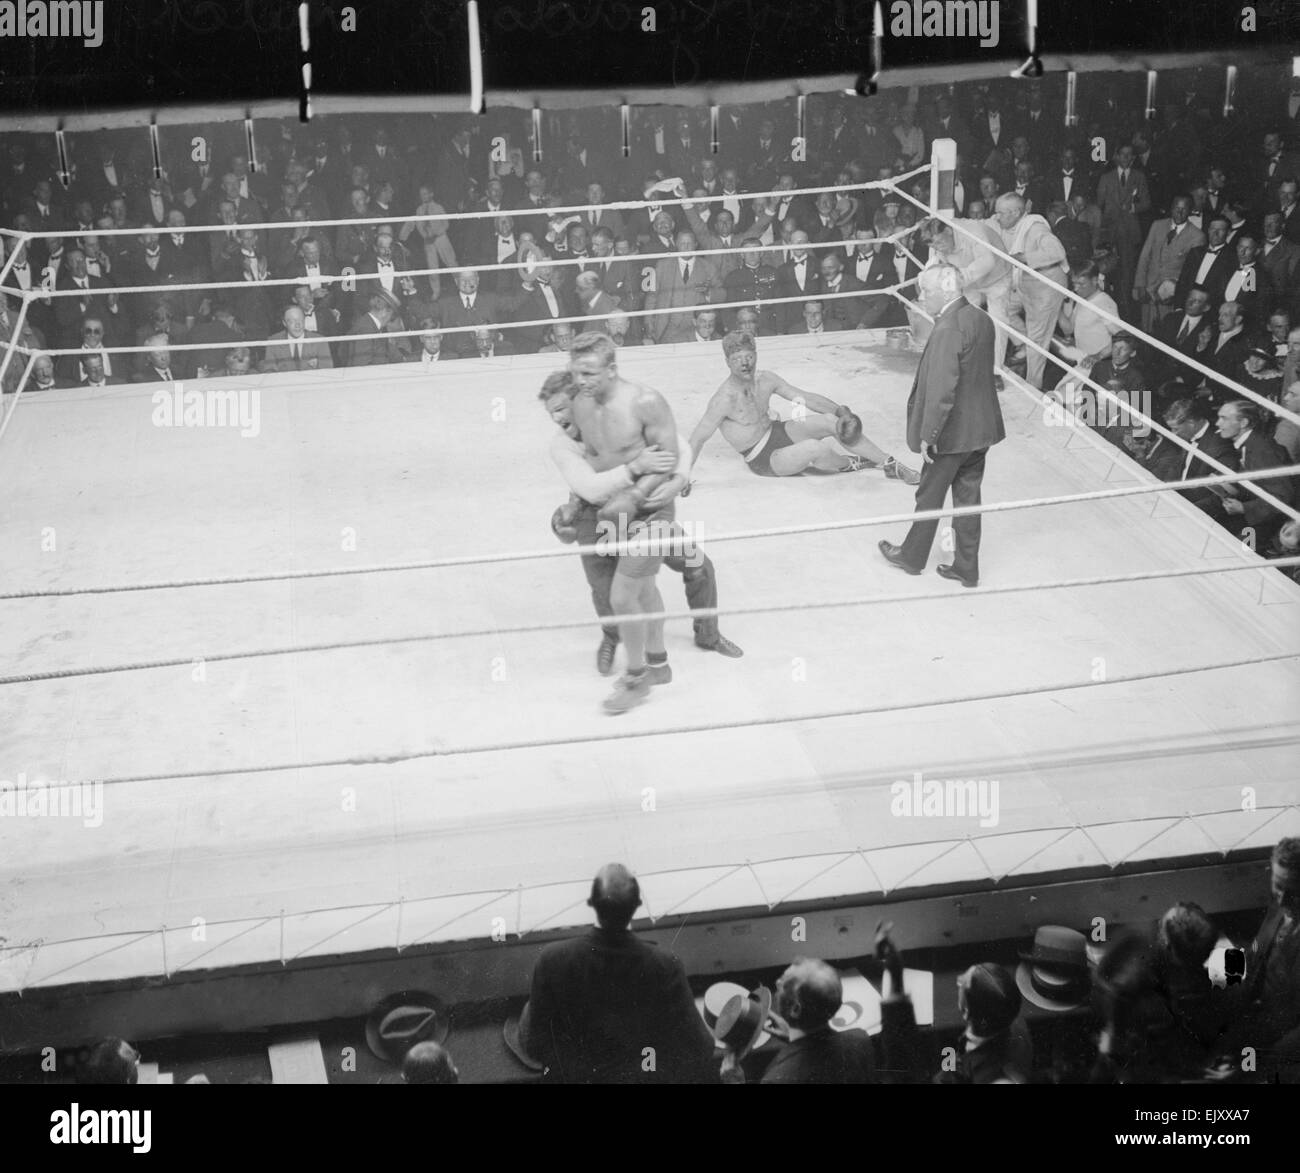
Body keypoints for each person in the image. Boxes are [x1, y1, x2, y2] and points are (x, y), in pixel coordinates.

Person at [541, 370, 743, 673]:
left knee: (699, 567)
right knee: (607, 590)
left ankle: (708, 635)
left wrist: (679, 479)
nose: (556, 418)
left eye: (560, 409)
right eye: (551, 412)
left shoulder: (622, 417)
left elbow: (680, 446)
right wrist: (637, 466)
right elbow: (591, 488)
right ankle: (612, 638)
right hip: (598, 517)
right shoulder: (562, 444)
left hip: (647, 512)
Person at [567, 332, 684, 714]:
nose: (581, 382)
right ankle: (659, 663)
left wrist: (634, 496)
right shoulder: (579, 405)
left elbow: (668, 455)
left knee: (622, 596)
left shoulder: (645, 401)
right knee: (645, 589)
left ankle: (636, 680)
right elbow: (592, 457)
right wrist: (576, 500)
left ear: (612, 369)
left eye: (589, 373)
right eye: (576, 374)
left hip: (651, 509)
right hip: (608, 510)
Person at [518, 863, 714, 1083]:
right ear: (638, 904)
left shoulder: (552, 959)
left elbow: (534, 1047)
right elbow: (701, 1047)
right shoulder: (666, 966)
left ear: (591, 903)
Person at [878, 264, 1004, 588]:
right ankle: (966, 567)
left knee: (929, 495)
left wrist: (928, 435)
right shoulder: (981, 318)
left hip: (951, 433)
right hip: (981, 429)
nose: (922, 298)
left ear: (947, 291)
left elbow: (942, 389)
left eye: (927, 291)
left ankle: (911, 556)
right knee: (968, 499)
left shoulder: (948, 328)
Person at [687, 332, 919, 482]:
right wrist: (682, 477)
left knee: (831, 421)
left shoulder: (766, 379)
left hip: (777, 431)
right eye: (737, 359)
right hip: (764, 458)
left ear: (756, 355)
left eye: (748, 356)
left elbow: (805, 398)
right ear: (727, 362)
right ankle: (851, 463)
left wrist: (841, 412)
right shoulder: (723, 399)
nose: (745, 363)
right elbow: (697, 439)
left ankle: (890, 463)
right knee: (813, 448)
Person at [994, 191, 1069, 389]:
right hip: (1026, 281)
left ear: (1016, 213)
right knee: (1002, 307)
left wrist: (1023, 257)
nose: (997, 217)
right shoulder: (1014, 227)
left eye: (1001, 213)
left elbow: (1057, 252)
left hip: (1046, 284)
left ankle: (1032, 386)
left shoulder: (1035, 228)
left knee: (1038, 339)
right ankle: (1022, 343)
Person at [261, 304, 334, 372]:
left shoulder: (320, 340)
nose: (297, 325)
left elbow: (327, 370)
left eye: (300, 320)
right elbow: (269, 371)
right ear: (284, 323)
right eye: (292, 321)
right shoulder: (273, 341)